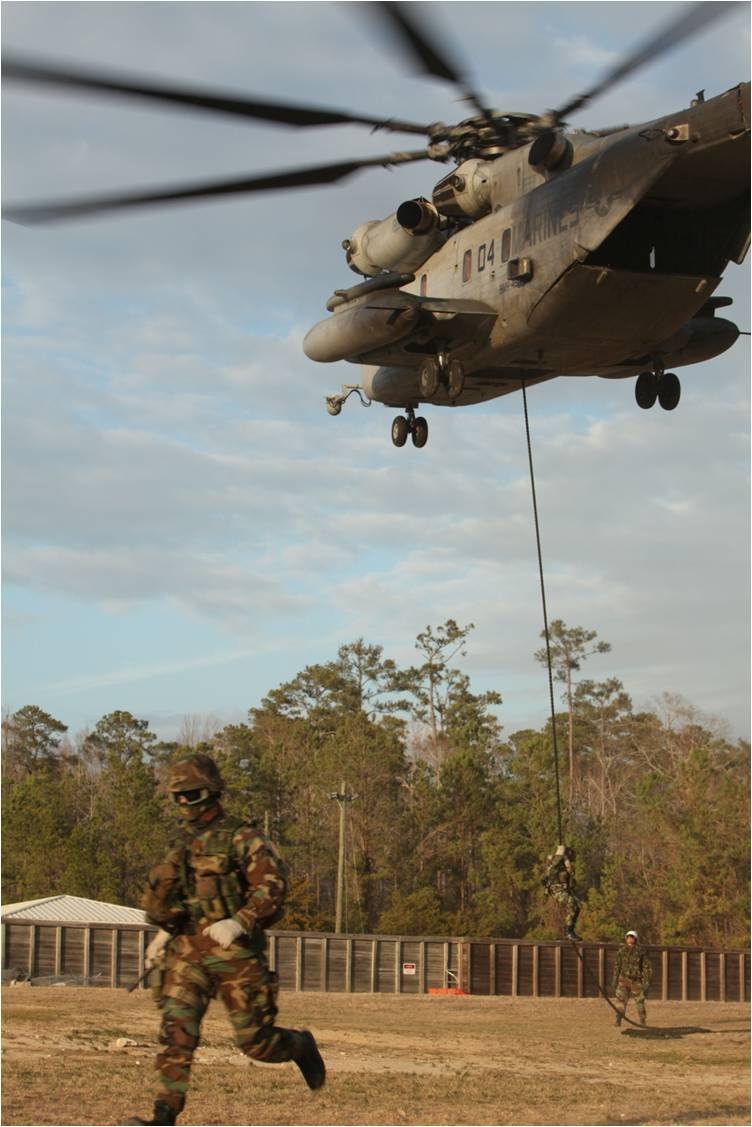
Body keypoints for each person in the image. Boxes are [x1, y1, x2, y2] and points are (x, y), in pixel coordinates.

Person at [125, 752, 325, 1127]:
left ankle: (299, 1045)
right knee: (177, 1034)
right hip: (188, 951)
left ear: (211, 792)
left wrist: (240, 920)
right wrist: (161, 935)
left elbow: (273, 886)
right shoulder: (181, 844)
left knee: (256, 1042)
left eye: (192, 795)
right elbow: (177, 898)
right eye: (178, 797)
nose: (184, 803)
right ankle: (162, 1116)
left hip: (236, 952)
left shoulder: (242, 837)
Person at [611, 928, 652, 1026]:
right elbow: (617, 966)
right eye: (628, 937)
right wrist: (615, 980)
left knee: (640, 1001)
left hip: (636, 981)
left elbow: (647, 967)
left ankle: (642, 1020)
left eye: (632, 937)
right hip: (623, 980)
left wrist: (646, 981)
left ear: (635, 938)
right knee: (620, 1000)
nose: (629, 939)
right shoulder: (621, 951)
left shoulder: (641, 951)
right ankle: (618, 1020)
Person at [543, 843, 583, 941]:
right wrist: (561, 851)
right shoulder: (555, 865)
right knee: (572, 904)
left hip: (564, 890)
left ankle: (570, 929)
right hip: (557, 890)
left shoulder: (565, 865)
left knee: (578, 906)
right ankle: (568, 931)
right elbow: (557, 860)